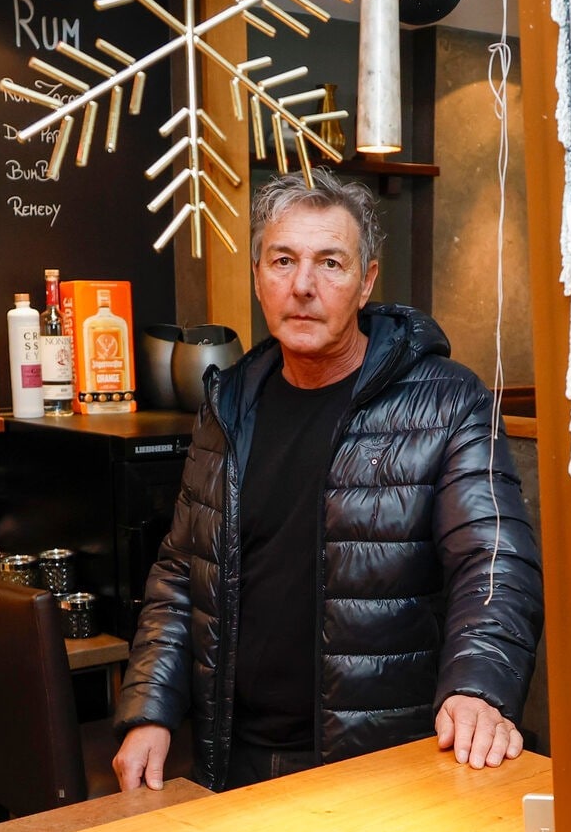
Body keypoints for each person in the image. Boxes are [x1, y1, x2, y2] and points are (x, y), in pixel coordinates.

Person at [112, 169, 543, 791]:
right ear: (257, 277)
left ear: (366, 281)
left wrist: (478, 688)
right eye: (282, 260)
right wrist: (149, 711)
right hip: (233, 758)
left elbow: (493, 560)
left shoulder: (448, 400)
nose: (302, 286)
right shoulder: (227, 405)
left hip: (379, 763)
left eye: (330, 263)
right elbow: (182, 572)